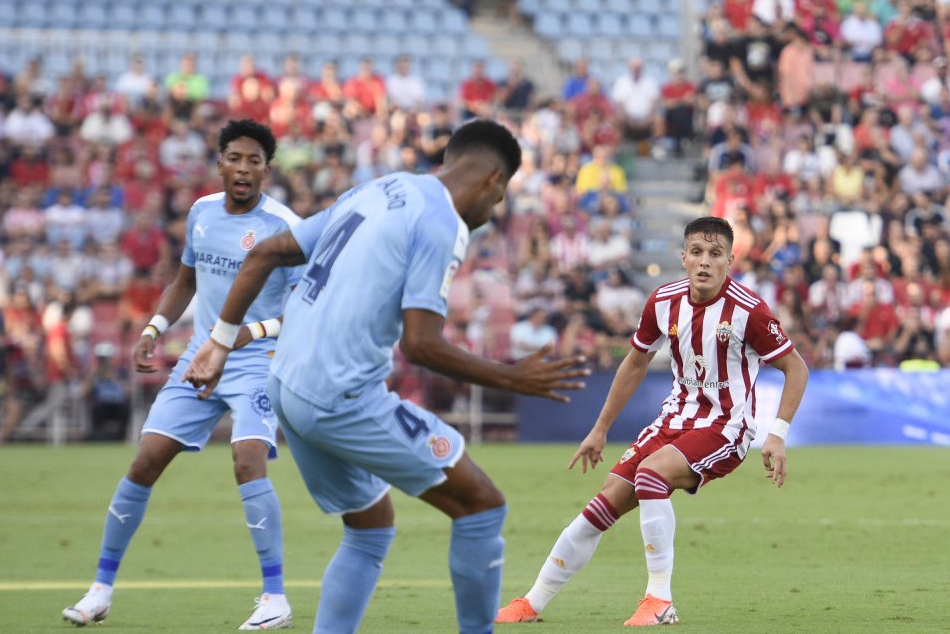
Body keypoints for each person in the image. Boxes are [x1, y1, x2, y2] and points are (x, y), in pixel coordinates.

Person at [181, 120, 588, 634]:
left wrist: (219, 342)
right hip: (339, 397)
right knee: (481, 506)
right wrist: (513, 379)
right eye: (502, 194)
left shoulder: (377, 190)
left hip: (285, 385)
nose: (496, 208)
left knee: (370, 527)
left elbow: (265, 252)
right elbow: (421, 344)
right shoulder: (443, 223)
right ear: (492, 181)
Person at [495, 216, 809, 626]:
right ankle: (532, 602)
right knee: (602, 504)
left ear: (730, 261)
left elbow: (796, 367)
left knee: (651, 475)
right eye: (697, 252)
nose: (705, 262)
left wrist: (778, 434)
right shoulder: (663, 301)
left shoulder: (749, 311)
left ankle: (659, 600)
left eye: (715, 254)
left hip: (725, 426)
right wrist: (600, 428)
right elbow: (635, 362)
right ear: (683, 258)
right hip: (674, 418)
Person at [62, 120, 302, 630]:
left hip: (257, 357)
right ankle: (100, 590)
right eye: (235, 157)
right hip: (200, 353)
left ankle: (275, 596)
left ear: (266, 169)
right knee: (146, 460)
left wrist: (249, 332)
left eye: (254, 161)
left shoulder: (286, 226)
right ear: (220, 161)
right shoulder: (201, 212)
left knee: (247, 460)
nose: (243, 168)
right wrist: (154, 326)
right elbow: (185, 280)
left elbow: (307, 307)